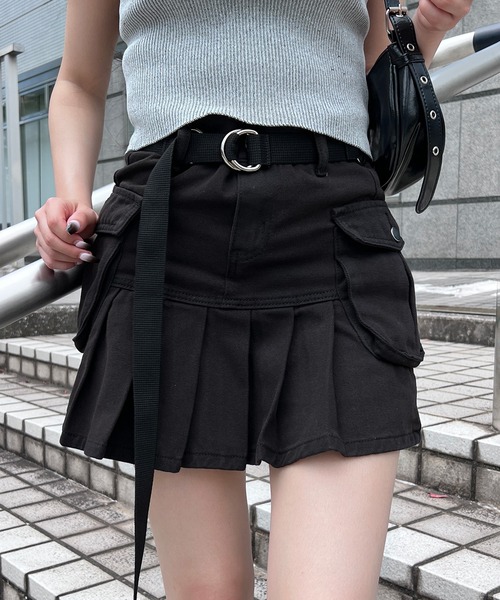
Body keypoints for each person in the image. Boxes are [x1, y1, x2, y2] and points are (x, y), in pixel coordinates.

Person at [34, 1, 473, 599]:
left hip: (331, 237)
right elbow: (79, 82)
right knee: (207, 592)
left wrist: (428, 27)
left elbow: (371, 74)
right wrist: (70, 196)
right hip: (171, 238)